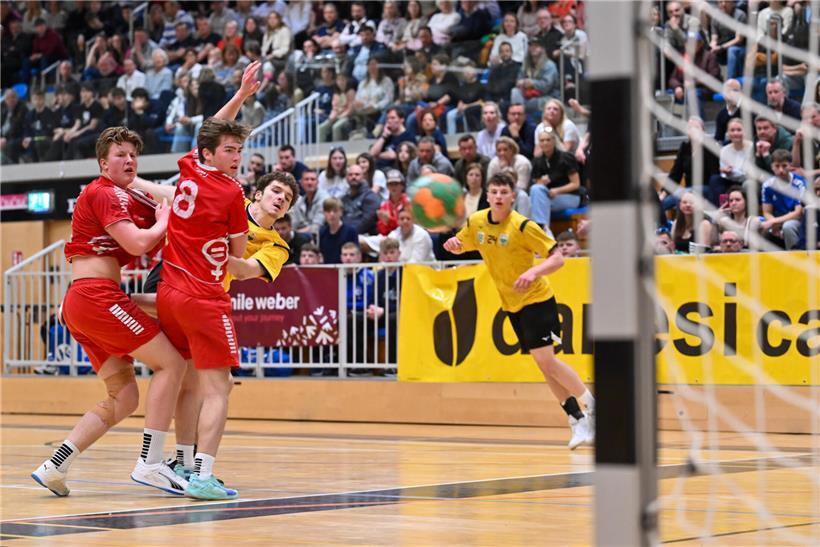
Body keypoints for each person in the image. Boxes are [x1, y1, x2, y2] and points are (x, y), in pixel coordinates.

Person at [31, 127, 188, 498]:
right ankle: (150, 463)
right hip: (96, 296)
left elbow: (178, 200)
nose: (129, 160)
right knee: (173, 365)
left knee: (124, 398)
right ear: (103, 163)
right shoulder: (102, 192)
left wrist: (159, 202)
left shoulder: (127, 195)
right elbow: (137, 241)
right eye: (120, 154)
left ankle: (55, 465)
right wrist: (164, 223)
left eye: (134, 154)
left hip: (86, 299)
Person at [153, 61, 263, 500]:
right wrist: (252, 262)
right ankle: (203, 474)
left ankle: (178, 461)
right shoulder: (232, 193)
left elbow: (211, 130)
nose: (237, 159)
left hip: (170, 291)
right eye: (231, 151)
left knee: (192, 383)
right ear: (213, 154)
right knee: (221, 386)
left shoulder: (189, 167)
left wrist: (240, 95)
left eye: (240, 151)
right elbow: (238, 259)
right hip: (202, 296)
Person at [443, 172, 595, 449]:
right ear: (487, 196)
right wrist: (453, 245)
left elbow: (557, 258)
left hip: (537, 300)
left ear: (513, 197)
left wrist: (534, 272)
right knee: (543, 366)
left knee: (548, 362)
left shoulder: (523, 226)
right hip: (511, 304)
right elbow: (463, 243)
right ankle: (576, 419)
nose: (499, 197)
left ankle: (592, 408)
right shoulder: (477, 222)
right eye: (494, 192)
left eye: (504, 192)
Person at [529, 129, 581, 232]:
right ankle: (544, 231)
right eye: (542, 140)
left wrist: (557, 191)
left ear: (554, 141)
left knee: (536, 202)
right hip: (547, 197)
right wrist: (542, 183)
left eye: (548, 140)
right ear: (539, 143)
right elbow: (538, 186)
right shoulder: (537, 161)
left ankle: (541, 232)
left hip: (570, 196)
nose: (545, 143)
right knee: (531, 194)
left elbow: (576, 184)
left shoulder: (566, 157)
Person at [761, 149, 806, 249]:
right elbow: (767, 212)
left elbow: (798, 213)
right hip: (776, 221)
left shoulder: (799, 183)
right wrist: (773, 223)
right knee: (755, 223)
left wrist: (775, 222)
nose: (781, 170)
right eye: (777, 166)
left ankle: (795, 257)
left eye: (784, 166)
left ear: (790, 166)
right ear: (772, 166)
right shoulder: (767, 185)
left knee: (788, 226)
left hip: (795, 220)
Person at [707, 118, 753, 206]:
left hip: (745, 181)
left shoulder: (751, 147)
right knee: (715, 179)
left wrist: (731, 172)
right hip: (730, 181)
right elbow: (724, 174)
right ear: (728, 133)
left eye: (739, 130)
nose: (735, 133)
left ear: (745, 132)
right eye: (732, 130)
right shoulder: (724, 150)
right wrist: (725, 171)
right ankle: (721, 209)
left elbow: (747, 174)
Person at [319, 197, 359, 264]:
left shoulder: (351, 231)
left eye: (335, 211)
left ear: (341, 212)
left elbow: (356, 254)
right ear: (324, 213)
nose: (332, 214)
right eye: (328, 211)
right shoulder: (322, 232)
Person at [290, 169, 327, 237]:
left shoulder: (325, 199)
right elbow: (294, 224)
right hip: (302, 235)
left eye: (312, 179)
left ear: (318, 182)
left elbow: (316, 227)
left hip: (320, 236)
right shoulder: (299, 201)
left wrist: (294, 234)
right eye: (306, 179)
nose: (309, 182)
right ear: (301, 182)